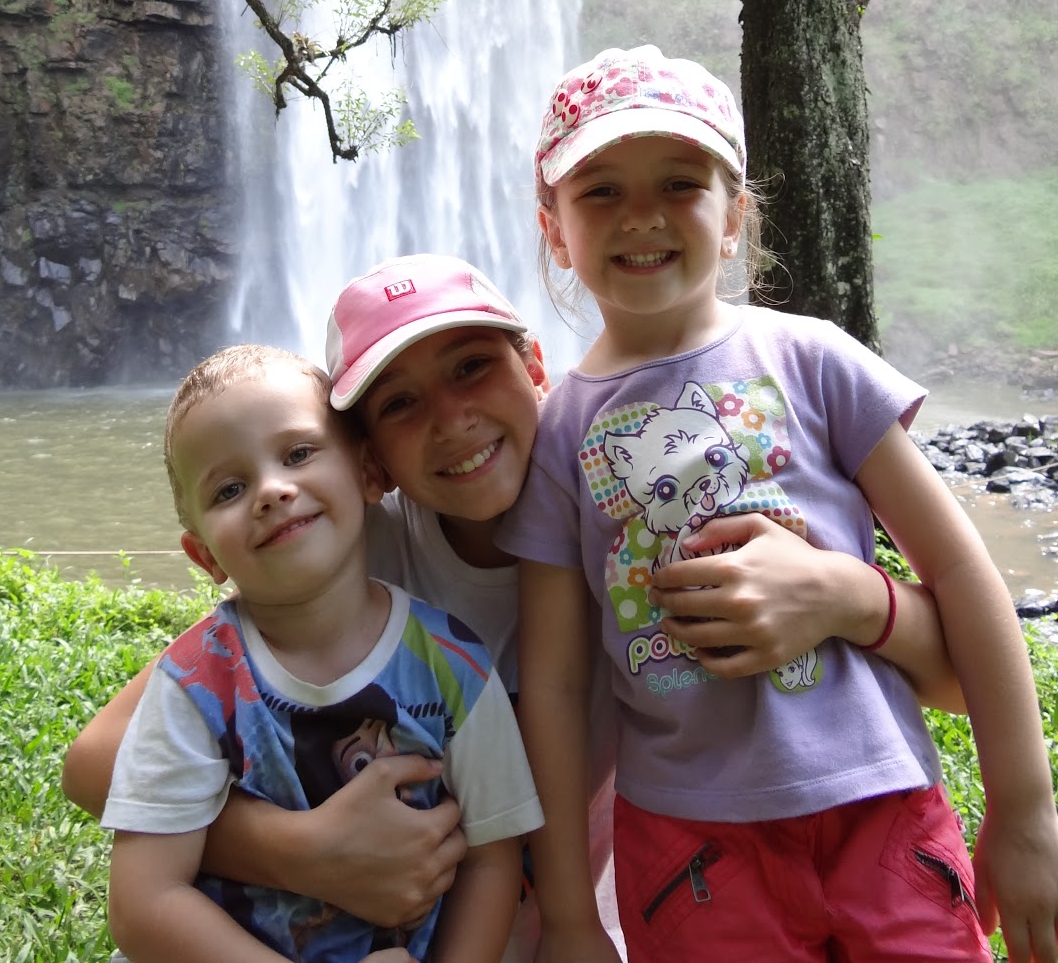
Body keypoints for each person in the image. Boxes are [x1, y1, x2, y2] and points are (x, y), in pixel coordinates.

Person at [64, 256, 966, 961]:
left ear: (537, 366)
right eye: (402, 403)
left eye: (472, 368)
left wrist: (854, 595)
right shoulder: (356, 550)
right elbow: (96, 761)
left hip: (605, 905)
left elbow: (954, 680)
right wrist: (297, 853)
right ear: (369, 459)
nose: (453, 419)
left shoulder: (644, 510)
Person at [500, 43, 1058, 963]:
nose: (641, 215)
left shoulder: (814, 358)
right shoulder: (558, 432)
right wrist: (567, 911)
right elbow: (558, 690)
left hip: (885, 813)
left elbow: (960, 570)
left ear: (734, 219)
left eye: (680, 182)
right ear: (554, 230)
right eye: (600, 191)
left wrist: (1025, 808)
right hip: (691, 851)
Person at [101, 342, 541, 963]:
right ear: (204, 557)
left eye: (298, 454)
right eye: (229, 489)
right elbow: (145, 902)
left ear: (367, 473)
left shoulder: (454, 664)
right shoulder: (195, 684)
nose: (272, 490)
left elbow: (494, 858)